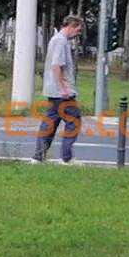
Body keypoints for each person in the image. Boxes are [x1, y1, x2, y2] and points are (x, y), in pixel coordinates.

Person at [34, 14, 84, 164]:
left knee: (49, 123)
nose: (78, 34)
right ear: (71, 26)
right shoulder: (61, 42)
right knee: (74, 121)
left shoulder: (55, 39)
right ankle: (67, 158)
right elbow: (57, 66)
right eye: (78, 30)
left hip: (53, 91)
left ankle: (38, 157)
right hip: (62, 93)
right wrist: (63, 88)